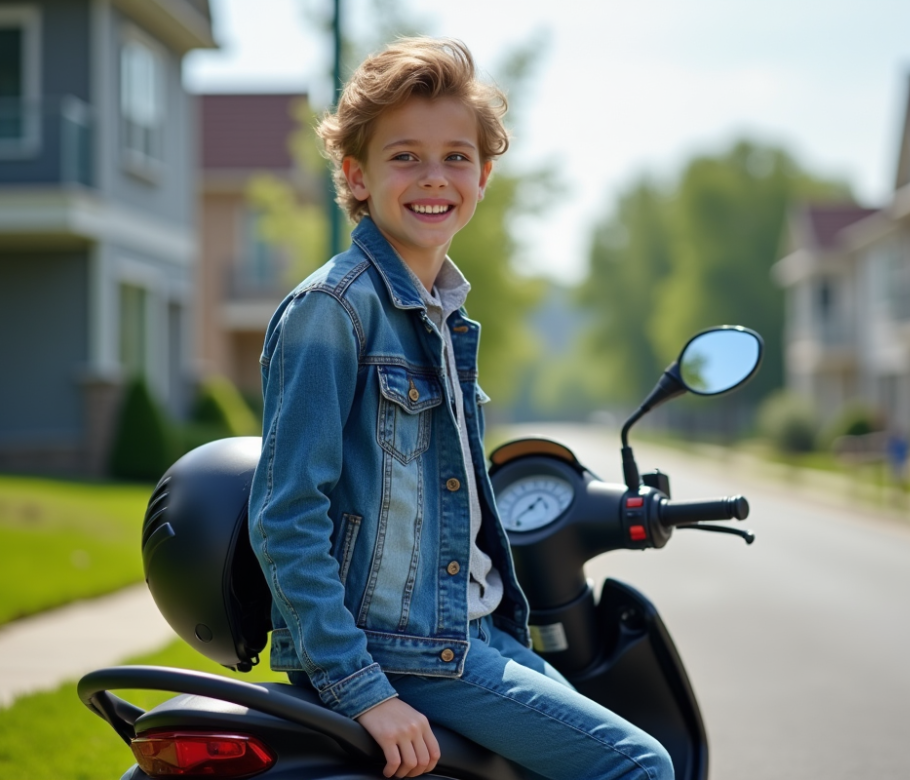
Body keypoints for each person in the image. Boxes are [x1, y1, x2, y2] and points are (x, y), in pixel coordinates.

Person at [248, 37, 673, 780]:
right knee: (637, 765)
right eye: (405, 156)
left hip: (468, 634)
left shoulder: (442, 316)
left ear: (483, 175)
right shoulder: (334, 310)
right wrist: (363, 690)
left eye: (456, 157)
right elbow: (286, 518)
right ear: (356, 174)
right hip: (401, 654)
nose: (434, 177)